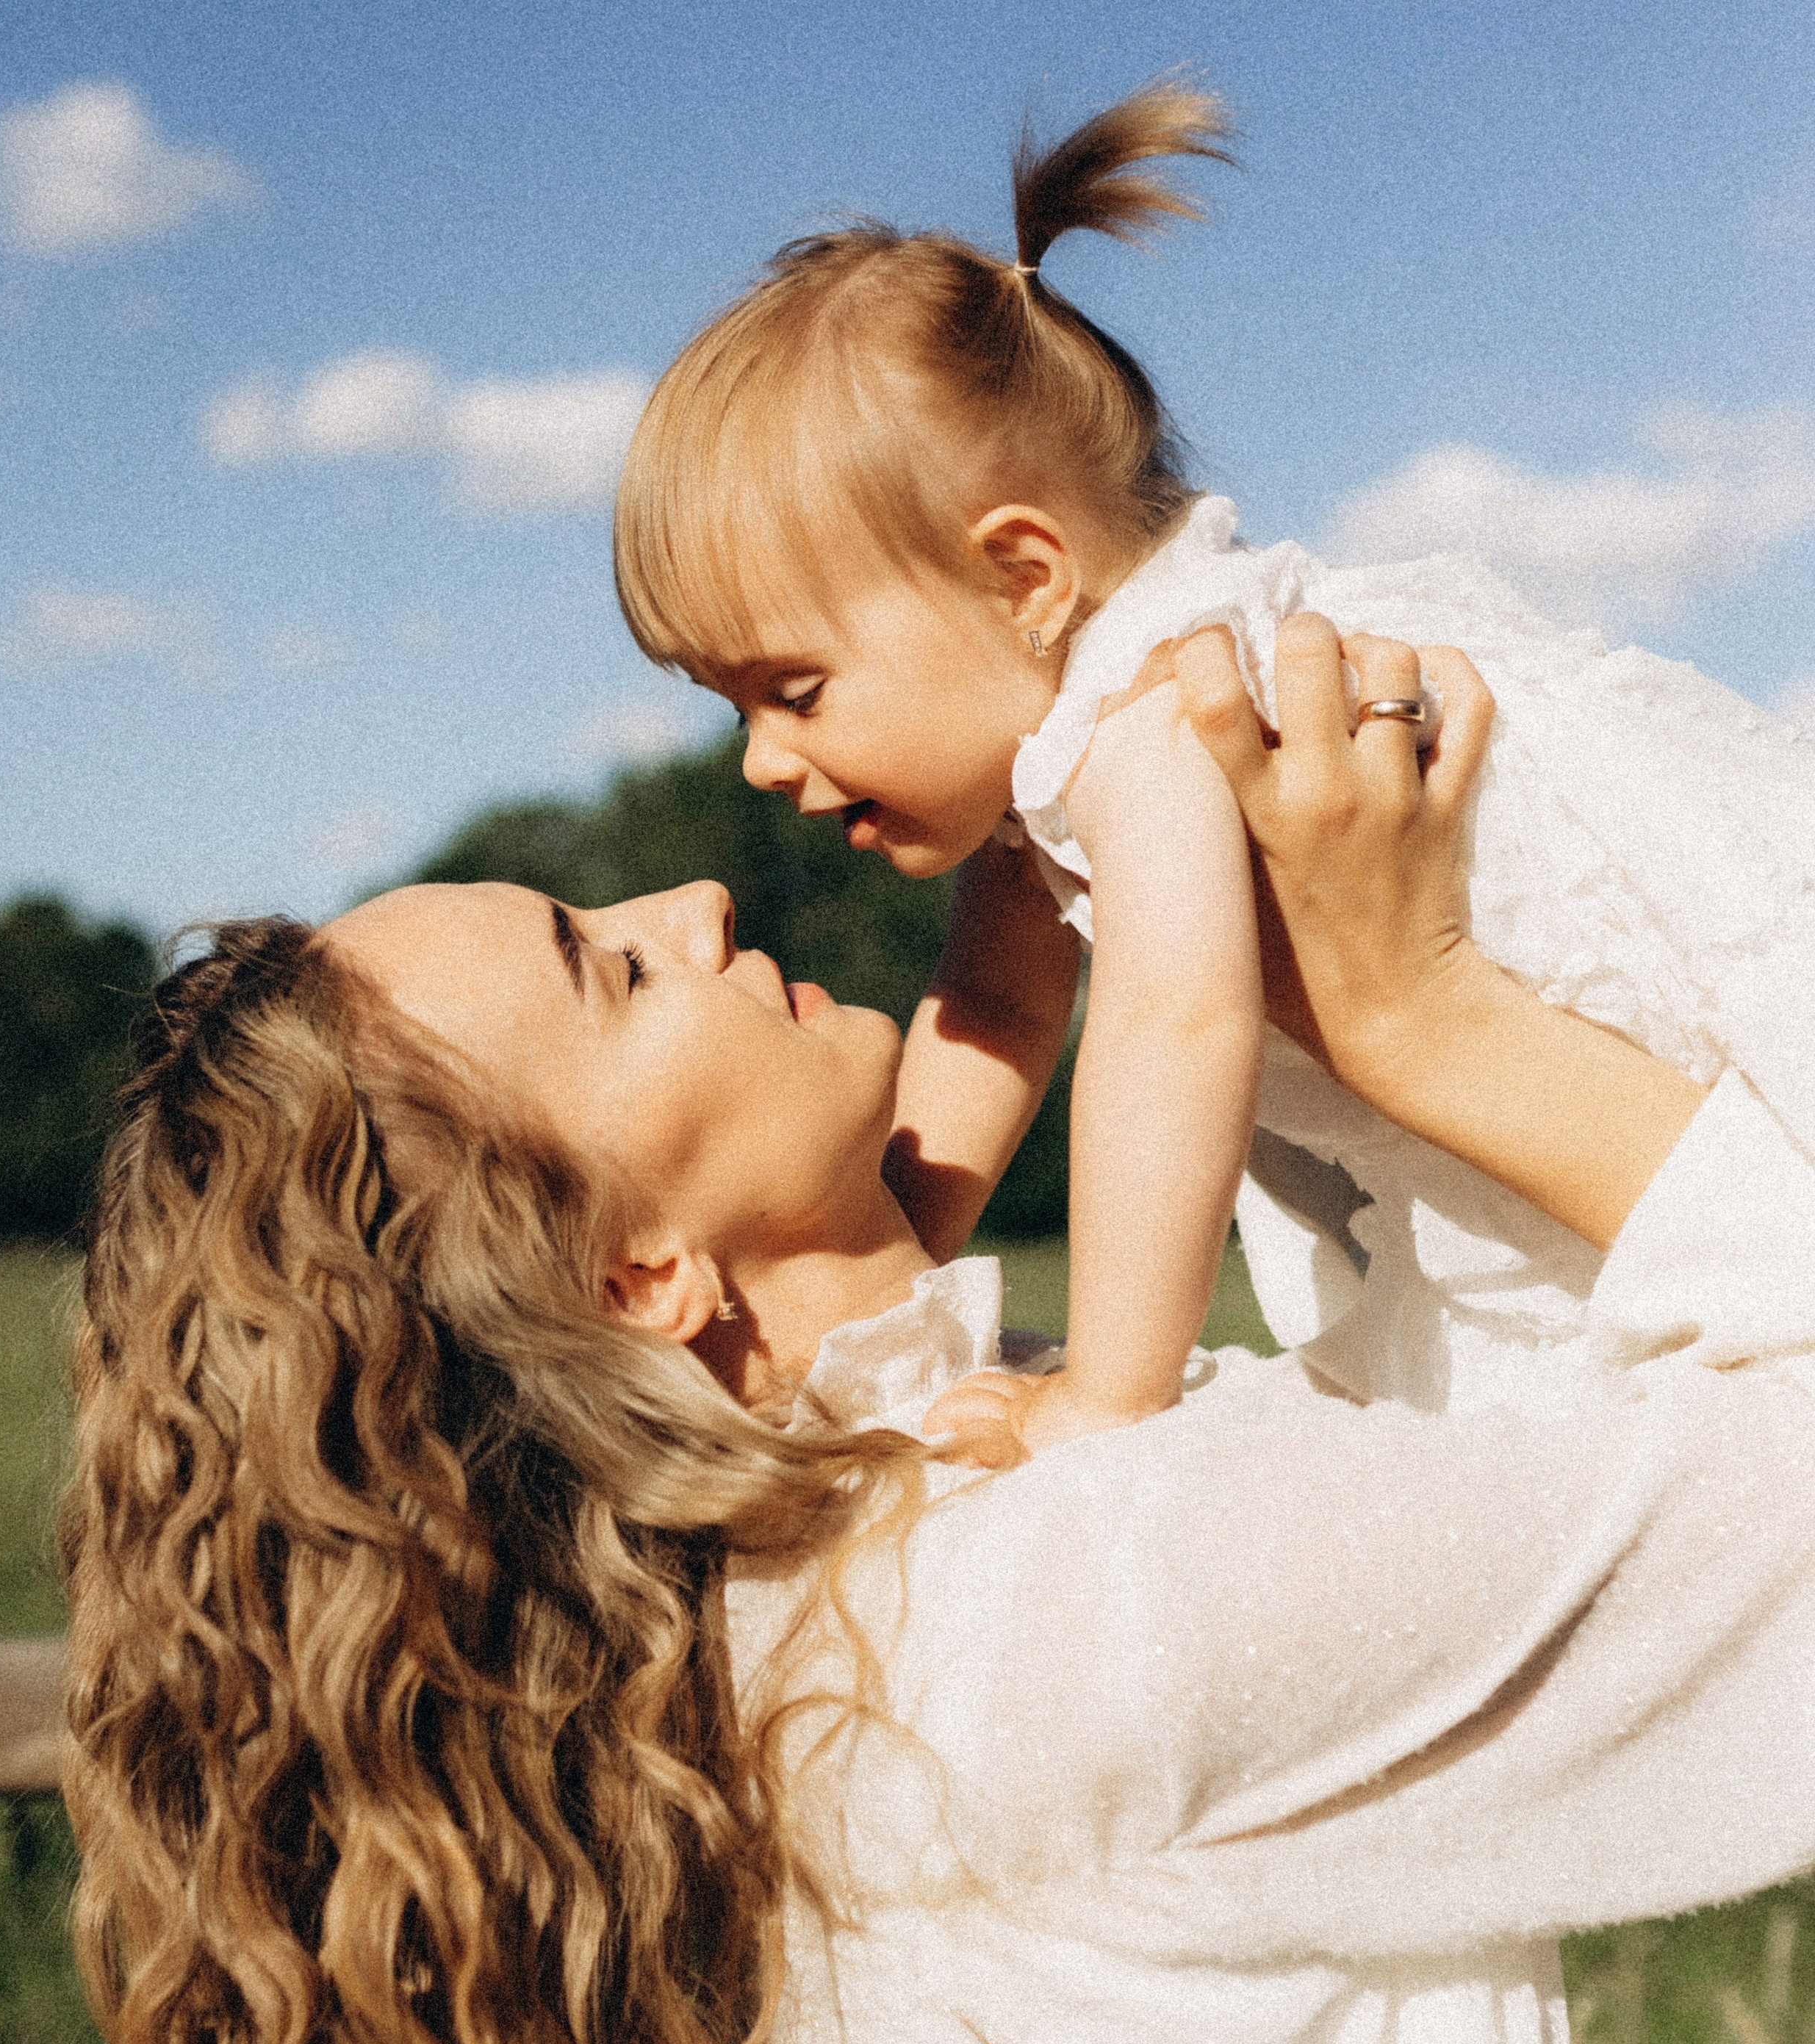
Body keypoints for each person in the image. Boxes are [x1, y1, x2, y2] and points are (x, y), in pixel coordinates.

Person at [63, 630, 1815, 2044]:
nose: (696, 903)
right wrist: (1435, 1013)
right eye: (609, 975)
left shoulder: (759, 1620)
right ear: (629, 1277)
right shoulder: (1084, 1593)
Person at [611, 80, 1815, 1439]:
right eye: (735, 710)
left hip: (1630, 1060)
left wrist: (1105, 1391)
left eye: (795, 690)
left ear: (1023, 578)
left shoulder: (1155, 713)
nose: (765, 763)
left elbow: (1175, 1026)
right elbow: (993, 1012)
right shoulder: (1057, 760)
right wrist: (889, 1285)